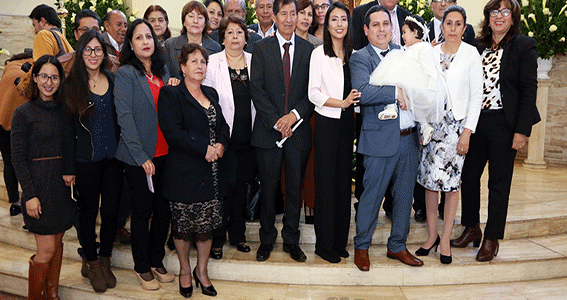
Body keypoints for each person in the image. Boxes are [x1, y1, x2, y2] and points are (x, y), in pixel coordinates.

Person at [454, 0, 540, 262]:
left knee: (498, 183)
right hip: (476, 122)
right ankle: (472, 228)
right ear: (487, 17)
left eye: (505, 12)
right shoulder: (476, 47)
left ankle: (492, 238)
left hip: (505, 123)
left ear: (513, 18)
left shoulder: (523, 46)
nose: (499, 16)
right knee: (468, 176)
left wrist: (521, 130)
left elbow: (528, 90)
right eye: (494, 11)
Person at [350, 5, 423, 271]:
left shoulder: (403, 54)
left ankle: (397, 246)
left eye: (386, 24)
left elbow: (418, 88)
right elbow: (362, 92)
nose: (382, 29)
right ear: (366, 30)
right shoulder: (360, 58)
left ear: (393, 28)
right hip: (379, 140)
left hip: (409, 137)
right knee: (372, 196)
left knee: (404, 196)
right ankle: (362, 246)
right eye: (376, 25)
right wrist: (395, 91)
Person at [159, 43, 230, 298]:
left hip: (211, 173)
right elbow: (173, 131)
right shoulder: (171, 94)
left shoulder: (211, 92)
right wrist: (205, 148)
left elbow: (223, 124)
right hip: (184, 172)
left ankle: (202, 271)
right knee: (184, 229)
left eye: (203, 62)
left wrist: (221, 143)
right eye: (194, 62)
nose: (200, 66)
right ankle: (185, 271)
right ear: (182, 66)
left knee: (206, 228)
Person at [413, 5, 482, 264]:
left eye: (457, 24)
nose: (452, 29)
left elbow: (476, 97)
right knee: (430, 183)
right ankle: (431, 236)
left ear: (464, 28)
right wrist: (421, 126)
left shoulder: (471, 54)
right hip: (432, 128)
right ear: (441, 26)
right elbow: (420, 91)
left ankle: (445, 239)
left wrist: (467, 133)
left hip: (456, 129)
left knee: (451, 185)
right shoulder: (429, 53)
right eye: (448, 23)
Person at [251, 0, 314, 263]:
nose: (289, 19)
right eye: (284, 14)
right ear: (275, 17)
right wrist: (278, 121)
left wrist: (293, 117)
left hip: (297, 131)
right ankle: (266, 239)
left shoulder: (310, 50)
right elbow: (257, 89)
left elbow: (312, 92)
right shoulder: (261, 48)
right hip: (268, 131)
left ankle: (291, 239)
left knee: (295, 188)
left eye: (293, 13)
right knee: (268, 188)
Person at [61, 31, 124, 292]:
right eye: (88, 50)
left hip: (113, 158)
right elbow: (65, 130)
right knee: (88, 213)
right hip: (86, 160)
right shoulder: (71, 85)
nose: (93, 55)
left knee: (110, 212)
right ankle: (91, 261)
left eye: (98, 50)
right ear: (80, 53)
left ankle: (105, 258)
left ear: (104, 53)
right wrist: (68, 168)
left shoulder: (112, 79)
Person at [114, 19, 174, 290]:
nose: (146, 41)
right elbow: (124, 117)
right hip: (140, 156)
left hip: (166, 153)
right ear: (130, 44)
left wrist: (174, 86)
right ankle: (141, 267)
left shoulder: (163, 70)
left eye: (148, 36)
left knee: (163, 211)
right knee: (142, 212)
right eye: (139, 38)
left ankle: (156, 259)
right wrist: (140, 157)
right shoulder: (126, 73)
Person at [11, 54, 77, 300]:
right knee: (46, 249)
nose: (49, 82)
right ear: (35, 78)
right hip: (37, 184)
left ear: (60, 80)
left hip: (59, 185)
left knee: (58, 242)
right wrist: (29, 194)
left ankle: (53, 293)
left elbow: (70, 143)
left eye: (55, 77)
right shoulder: (23, 113)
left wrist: (69, 170)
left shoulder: (64, 110)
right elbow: (17, 158)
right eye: (44, 76)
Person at [308, 1, 358, 263]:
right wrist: (342, 102)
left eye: (344, 19)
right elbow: (313, 93)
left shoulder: (354, 53)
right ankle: (323, 246)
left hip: (348, 123)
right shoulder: (319, 54)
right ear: (326, 24)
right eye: (334, 19)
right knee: (326, 185)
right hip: (327, 123)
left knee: (342, 186)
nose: (339, 24)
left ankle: (339, 242)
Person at [204, 15, 255, 260]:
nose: (235, 37)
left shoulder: (256, 62)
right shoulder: (212, 63)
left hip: (249, 137)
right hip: (223, 137)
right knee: (224, 188)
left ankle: (238, 235)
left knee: (241, 187)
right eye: (230, 33)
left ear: (246, 38)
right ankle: (217, 238)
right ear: (222, 38)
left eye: (239, 33)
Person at [369, 15, 446, 145]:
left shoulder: (424, 47)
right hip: (410, 84)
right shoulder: (407, 49)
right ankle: (393, 107)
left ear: (415, 32)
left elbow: (430, 71)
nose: (402, 36)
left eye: (404, 32)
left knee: (396, 63)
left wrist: (431, 89)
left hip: (422, 84)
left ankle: (423, 125)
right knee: (394, 63)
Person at [16, 4, 73, 94]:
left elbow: (40, 66)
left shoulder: (44, 35)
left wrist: (22, 85)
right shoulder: (61, 37)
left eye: (34, 25)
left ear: (42, 21)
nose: (35, 31)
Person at [164, 1, 221, 78]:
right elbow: (164, 73)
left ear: (205, 23)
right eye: (191, 16)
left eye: (200, 17)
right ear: (184, 21)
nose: (195, 21)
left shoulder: (215, 48)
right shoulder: (170, 45)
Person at [58, 9, 121, 77]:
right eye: (85, 29)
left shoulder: (116, 65)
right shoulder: (62, 65)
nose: (91, 34)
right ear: (76, 34)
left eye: (95, 29)